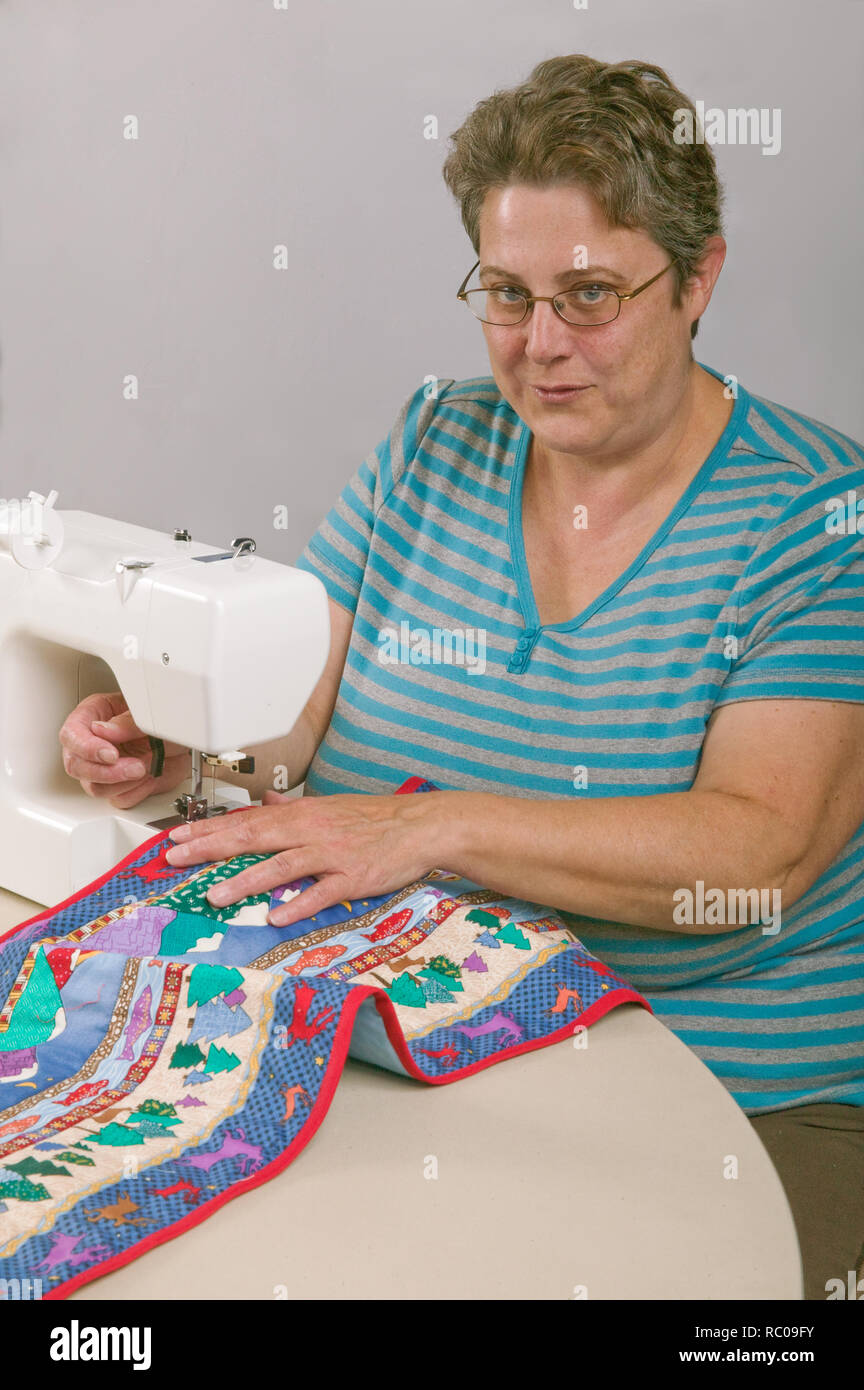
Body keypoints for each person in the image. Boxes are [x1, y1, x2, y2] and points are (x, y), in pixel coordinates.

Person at [58, 55, 864, 1300]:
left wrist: (427, 830)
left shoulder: (817, 518)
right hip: (427, 1052)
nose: (540, 345)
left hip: (735, 1102)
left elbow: (756, 854)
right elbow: (294, 728)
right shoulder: (432, 441)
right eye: (505, 291)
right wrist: (190, 757)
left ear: (697, 280)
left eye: (589, 295)